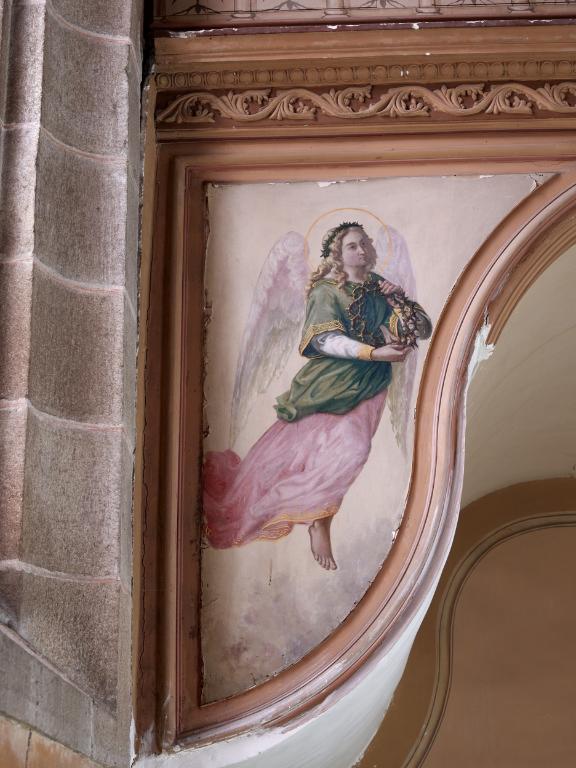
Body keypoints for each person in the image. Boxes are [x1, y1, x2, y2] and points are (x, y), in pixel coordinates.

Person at [203, 222, 431, 570]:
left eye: (364, 244)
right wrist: (374, 352)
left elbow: (421, 330)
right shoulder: (326, 291)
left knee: (346, 453)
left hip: (370, 386)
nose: (361, 250)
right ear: (338, 254)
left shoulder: (379, 288)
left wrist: (398, 298)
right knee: (337, 451)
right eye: (352, 246)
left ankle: (320, 516)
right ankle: (317, 520)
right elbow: (324, 340)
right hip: (330, 383)